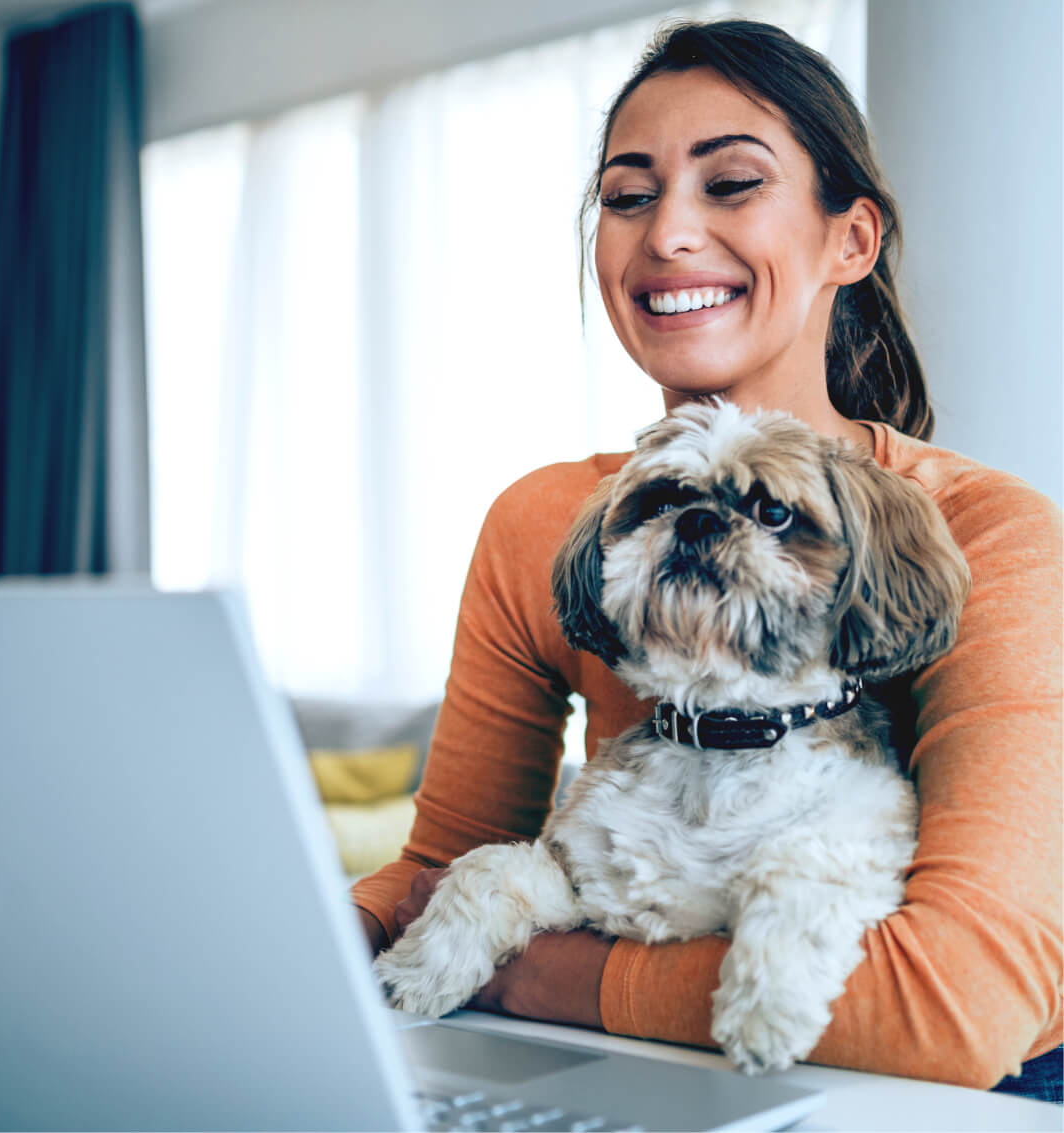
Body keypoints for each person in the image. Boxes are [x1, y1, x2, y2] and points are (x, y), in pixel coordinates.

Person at [351, 18, 1062, 1101]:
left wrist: (524, 977)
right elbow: (438, 873)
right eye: (627, 195)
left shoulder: (987, 528)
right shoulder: (547, 517)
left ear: (850, 240)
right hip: (636, 1067)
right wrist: (297, 942)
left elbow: (951, 1009)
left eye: (729, 182)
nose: (668, 232)